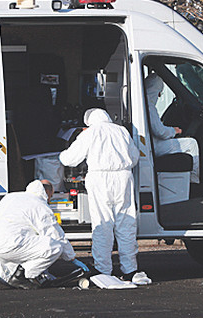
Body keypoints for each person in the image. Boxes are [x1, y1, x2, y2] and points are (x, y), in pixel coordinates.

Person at [59, 108, 151, 285]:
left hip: (100, 178)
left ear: (89, 121)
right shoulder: (121, 131)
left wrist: (60, 155)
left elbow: (70, 159)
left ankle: (103, 269)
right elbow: (134, 158)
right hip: (124, 177)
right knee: (126, 223)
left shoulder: (90, 132)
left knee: (103, 223)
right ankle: (130, 269)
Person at [0, 179, 80, 289]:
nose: (49, 199)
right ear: (47, 193)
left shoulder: (11, 197)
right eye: (51, 196)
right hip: (8, 245)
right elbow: (55, 235)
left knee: (25, 250)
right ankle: (22, 275)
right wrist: (71, 257)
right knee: (55, 247)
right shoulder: (39, 205)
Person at [144, 73, 200, 184]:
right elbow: (160, 132)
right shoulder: (149, 107)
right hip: (154, 146)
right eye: (159, 92)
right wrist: (174, 131)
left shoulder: (144, 104)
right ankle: (194, 180)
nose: (159, 96)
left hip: (150, 144)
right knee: (191, 143)